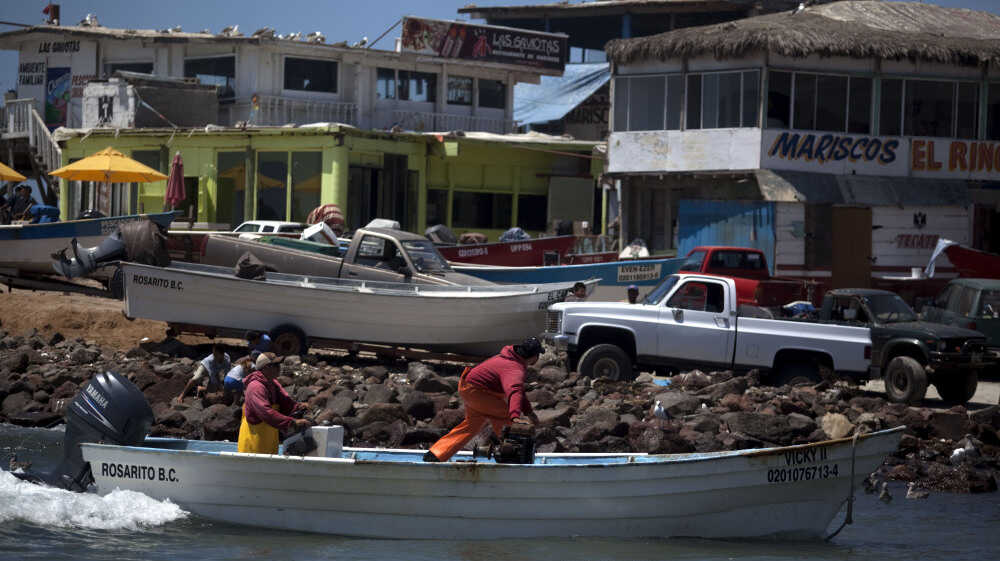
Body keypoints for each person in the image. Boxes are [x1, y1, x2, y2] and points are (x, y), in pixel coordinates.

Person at [424, 337, 543, 463]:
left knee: (472, 425)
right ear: (534, 357)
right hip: (478, 393)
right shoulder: (514, 368)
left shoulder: (509, 357)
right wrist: (515, 416)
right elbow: (515, 390)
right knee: (507, 417)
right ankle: (512, 456)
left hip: (468, 388)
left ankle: (436, 454)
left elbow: (518, 391)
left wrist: (529, 411)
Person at [237, 352, 311, 454]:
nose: (279, 367)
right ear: (265, 368)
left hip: (269, 436)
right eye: (275, 365)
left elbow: (285, 402)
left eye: (279, 364)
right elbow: (265, 412)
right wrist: (292, 422)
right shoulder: (256, 386)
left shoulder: (273, 383)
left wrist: (298, 407)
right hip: (255, 440)